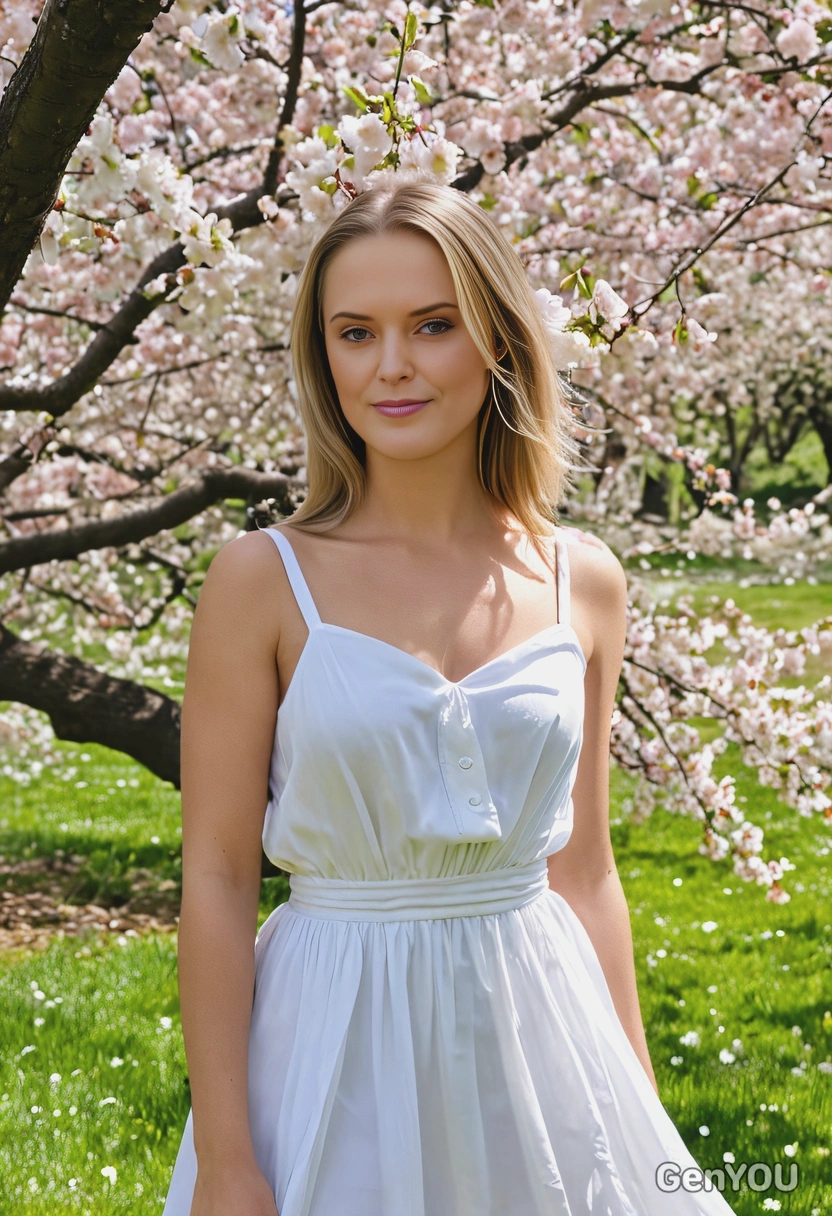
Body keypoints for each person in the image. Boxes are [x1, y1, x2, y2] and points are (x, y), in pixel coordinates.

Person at [162, 179, 736, 1215]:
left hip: (537, 1036)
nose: (390, 365)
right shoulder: (262, 579)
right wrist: (230, 1159)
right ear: (321, 355)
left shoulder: (582, 578)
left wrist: (640, 1112)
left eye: (432, 326)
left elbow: (585, 870)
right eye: (354, 331)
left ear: (498, 341)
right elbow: (214, 873)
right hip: (330, 1039)